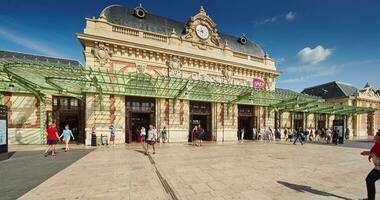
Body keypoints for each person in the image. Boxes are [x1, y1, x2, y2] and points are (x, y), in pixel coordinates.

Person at [360, 130, 380, 200]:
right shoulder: (377, 143)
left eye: (376, 135)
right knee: (370, 180)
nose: (374, 136)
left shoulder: (379, 144)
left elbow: (377, 154)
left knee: (369, 180)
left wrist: (366, 153)